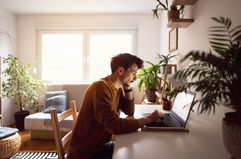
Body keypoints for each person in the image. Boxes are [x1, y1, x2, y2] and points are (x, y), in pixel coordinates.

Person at [67, 53, 163, 159]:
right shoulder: (101, 88)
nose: (135, 77)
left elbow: (129, 111)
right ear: (121, 71)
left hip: (98, 146)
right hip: (85, 154)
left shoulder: (116, 87)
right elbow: (115, 126)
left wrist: (128, 88)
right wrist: (149, 119)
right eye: (133, 73)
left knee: (137, 150)